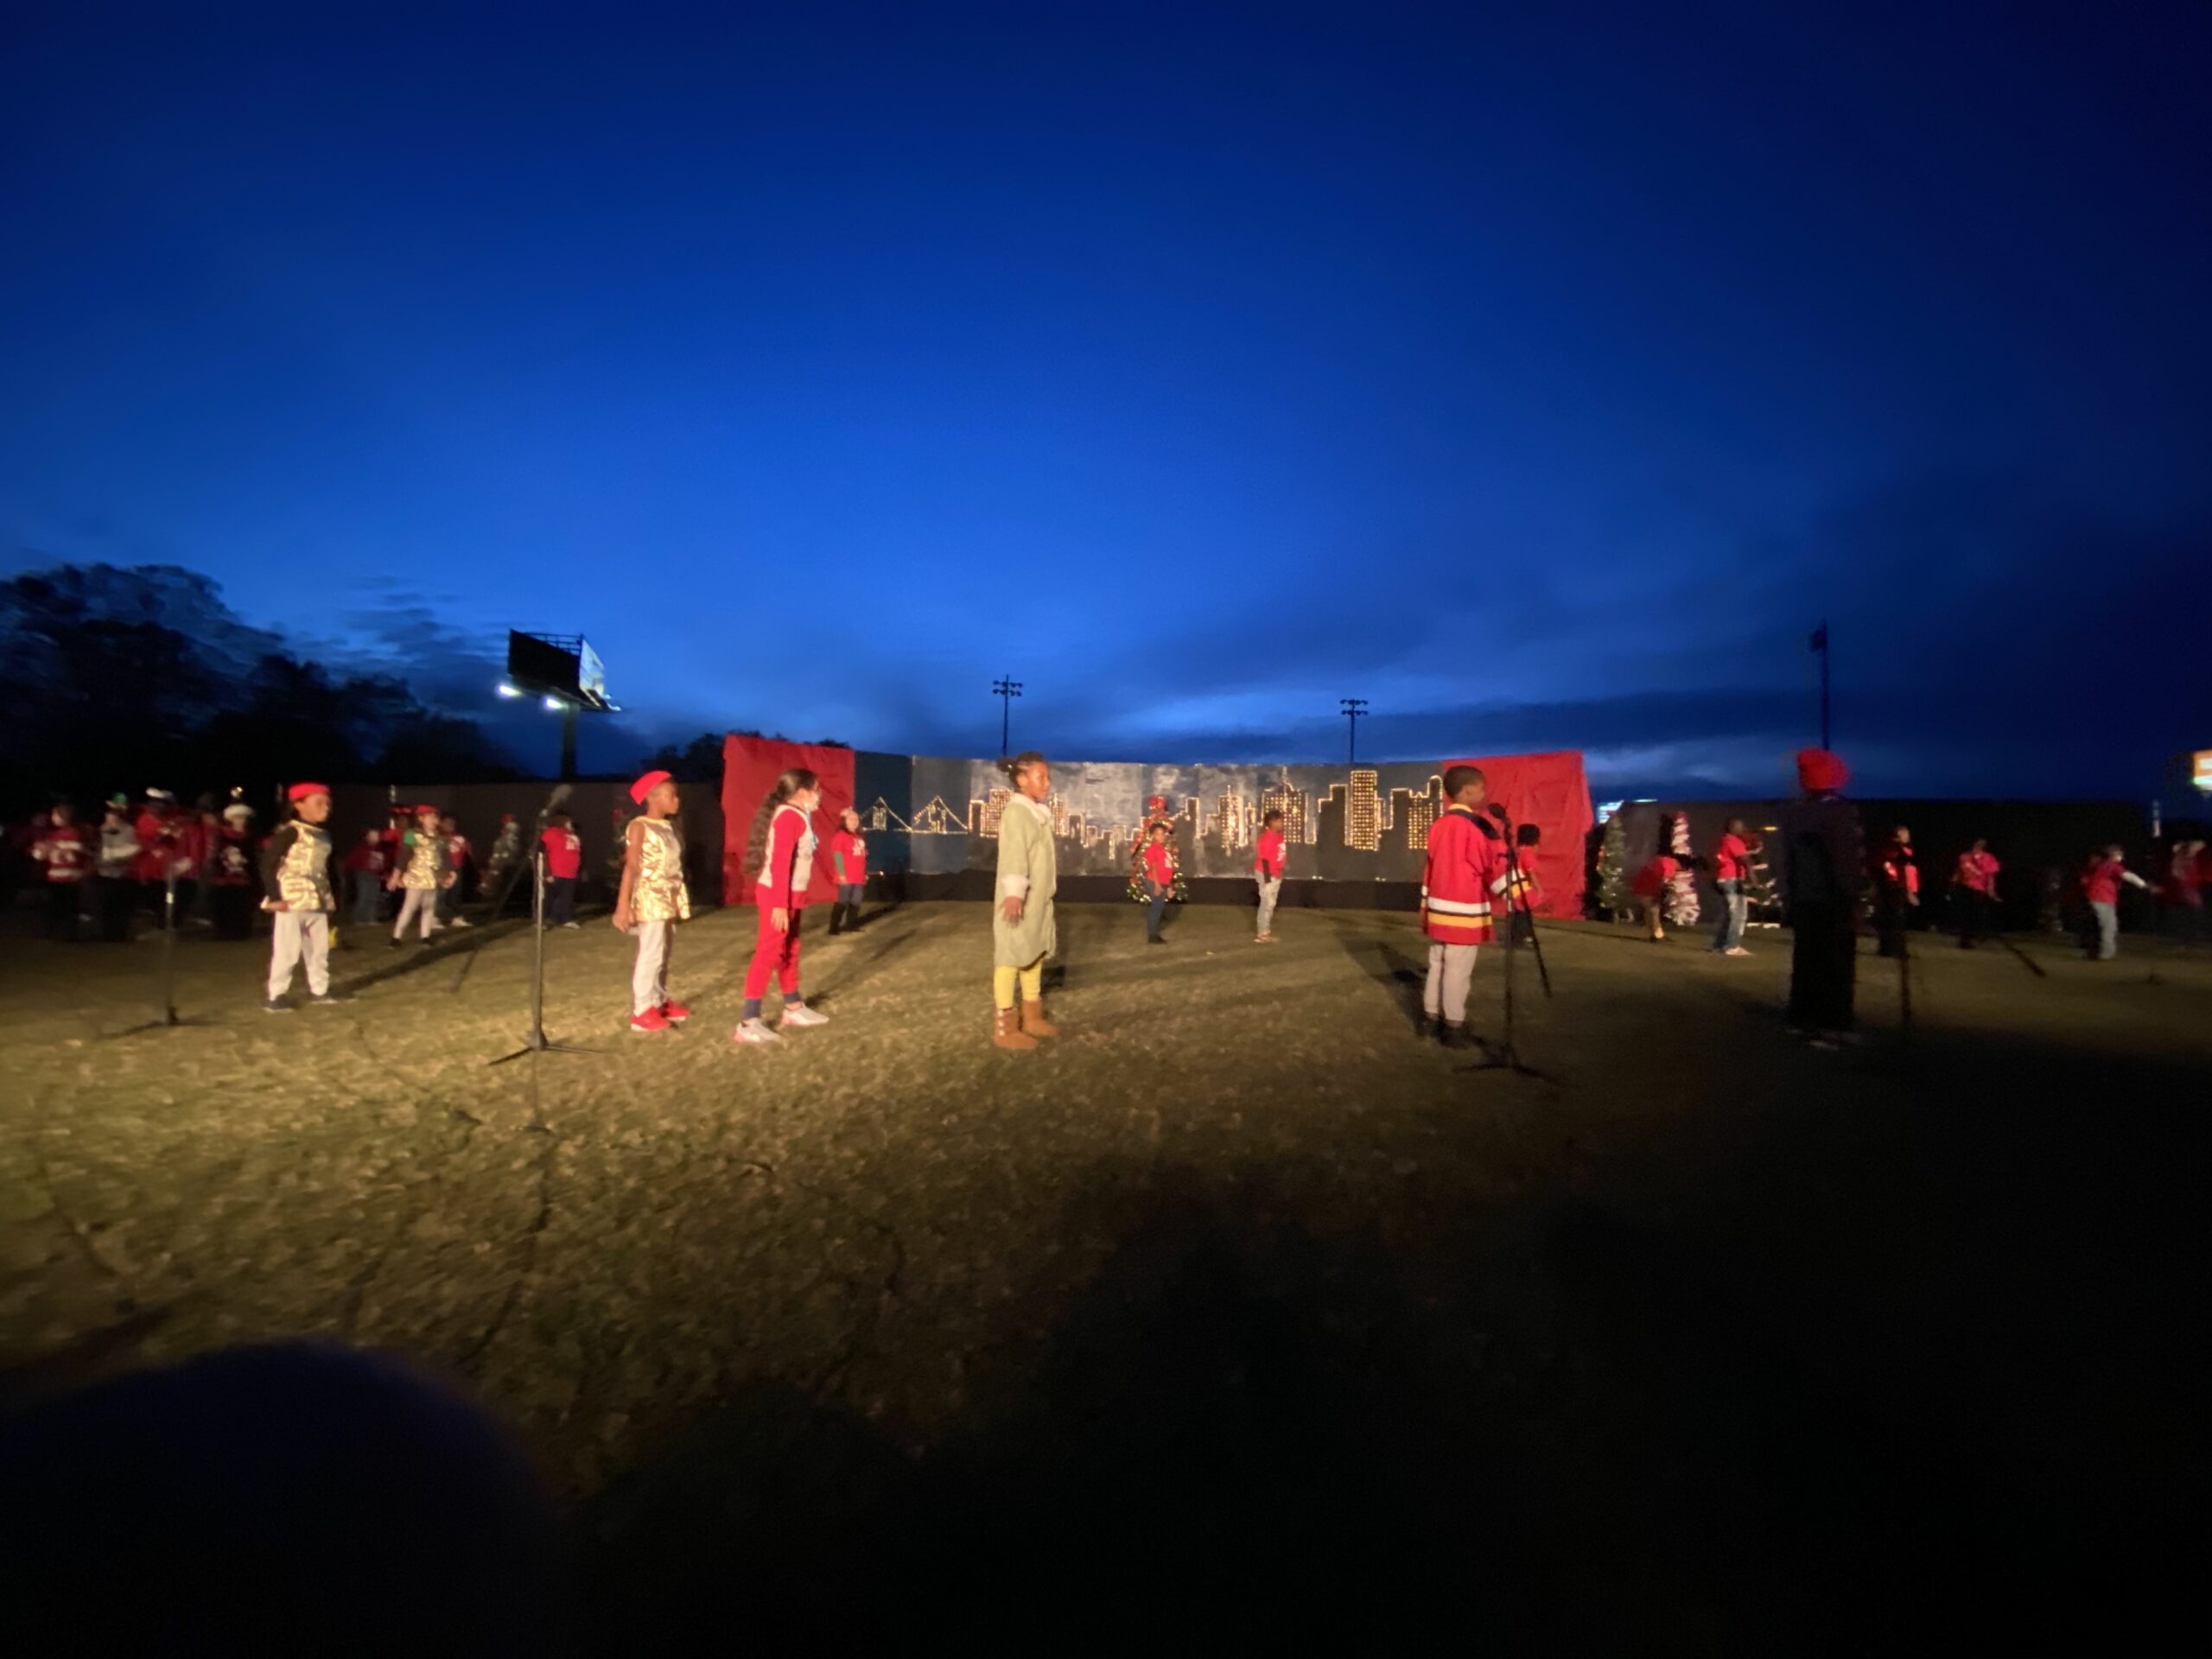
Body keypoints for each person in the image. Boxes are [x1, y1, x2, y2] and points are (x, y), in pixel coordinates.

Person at [734, 769, 825, 1044]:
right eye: (816, 789)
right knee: (768, 952)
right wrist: (778, 905)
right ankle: (748, 1022)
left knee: (790, 948)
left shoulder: (797, 815)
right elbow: (780, 863)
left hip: (790, 895)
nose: (819, 795)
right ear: (802, 793)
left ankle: (793, 1007)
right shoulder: (789, 816)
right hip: (778, 897)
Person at [1419, 765, 1507, 1046]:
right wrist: (1520, 894)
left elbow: (1429, 869)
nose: (1484, 793)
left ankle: (1430, 1018)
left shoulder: (1439, 825)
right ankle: (1454, 1025)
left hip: (1438, 907)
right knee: (1458, 969)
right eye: (1481, 788)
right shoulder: (1475, 827)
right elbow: (1490, 867)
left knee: (1437, 963)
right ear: (1468, 790)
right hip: (1464, 908)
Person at [1780, 747, 1863, 1046]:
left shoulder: (1797, 811)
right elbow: (1842, 861)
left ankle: (1802, 1018)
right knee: (1835, 964)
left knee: (1806, 962)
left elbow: (1790, 862)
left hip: (1805, 899)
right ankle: (1832, 1023)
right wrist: (1851, 896)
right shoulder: (1838, 812)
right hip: (1832, 900)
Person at [614, 770, 693, 1033]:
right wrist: (623, 905)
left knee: (664, 951)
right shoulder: (639, 826)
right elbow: (632, 866)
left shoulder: (667, 826)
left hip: (668, 894)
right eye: (672, 795)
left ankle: (658, 1001)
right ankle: (641, 1010)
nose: (677, 800)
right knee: (651, 952)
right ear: (654, 797)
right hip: (650, 896)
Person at [992, 752, 1059, 1051]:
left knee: (1032, 955)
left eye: (1047, 776)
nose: (1046, 782)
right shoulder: (1016, 813)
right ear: (1021, 780)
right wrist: (1013, 895)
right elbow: (1014, 854)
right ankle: (1005, 1029)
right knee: (1009, 957)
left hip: (1038, 901)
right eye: (1040, 777)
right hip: (1018, 900)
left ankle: (1032, 1017)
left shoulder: (1036, 813)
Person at [262, 783, 342, 1011]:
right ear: (299, 805)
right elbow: (268, 863)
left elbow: (328, 869)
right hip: (292, 899)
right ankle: (276, 995)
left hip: (317, 899)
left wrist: (333, 898)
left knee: (319, 949)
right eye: (318, 803)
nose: (325, 808)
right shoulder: (291, 831)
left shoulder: (324, 835)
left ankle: (320, 990)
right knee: (287, 948)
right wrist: (274, 896)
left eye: (327, 803)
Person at [388, 804, 449, 946]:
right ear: (421, 819)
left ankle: (425, 936)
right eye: (429, 817)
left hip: (432, 877)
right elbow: (404, 855)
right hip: (416, 876)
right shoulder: (411, 834)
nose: (433, 820)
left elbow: (445, 857)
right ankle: (396, 937)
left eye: (435, 817)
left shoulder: (440, 838)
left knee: (429, 906)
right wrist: (395, 875)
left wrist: (449, 873)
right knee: (410, 906)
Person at [2078, 844, 2150, 961]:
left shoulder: (2101, 866)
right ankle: (2106, 954)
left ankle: (2092, 952)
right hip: (2103, 899)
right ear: (2113, 855)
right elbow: (2128, 876)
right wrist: (2144, 885)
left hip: (2093, 898)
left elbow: (2086, 880)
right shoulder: (2112, 866)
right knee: (2109, 927)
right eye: (2119, 854)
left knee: (2096, 927)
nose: (2121, 856)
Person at [33, 804, 88, 940]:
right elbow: (41, 856)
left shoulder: (72, 834)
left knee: (66, 908)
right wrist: (40, 850)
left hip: (68, 877)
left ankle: (66, 934)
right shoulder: (54, 835)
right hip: (56, 877)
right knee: (57, 907)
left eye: (55, 815)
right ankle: (56, 933)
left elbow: (73, 855)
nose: (53, 818)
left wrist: (53, 847)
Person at [1703, 817, 1753, 957]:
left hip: (1721, 879)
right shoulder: (1733, 841)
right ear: (1732, 827)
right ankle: (1732, 946)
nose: (1743, 829)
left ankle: (1719, 945)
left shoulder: (1720, 840)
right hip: (1732, 880)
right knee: (1738, 914)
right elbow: (1745, 860)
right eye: (1740, 826)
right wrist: (1754, 879)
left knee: (1730, 914)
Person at [208, 803, 259, 941]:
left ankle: (240, 934)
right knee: (223, 908)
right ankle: (222, 934)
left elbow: (253, 858)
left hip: (243, 880)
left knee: (241, 910)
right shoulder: (220, 835)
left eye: (243, 818)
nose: (241, 821)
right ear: (231, 819)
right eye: (237, 818)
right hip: (223, 879)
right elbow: (214, 856)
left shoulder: (250, 837)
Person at [93, 795, 139, 942]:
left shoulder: (129, 830)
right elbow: (96, 851)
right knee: (105, 907)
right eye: (108, 813)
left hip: (122, 875)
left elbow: (131, 851)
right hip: (104, 874)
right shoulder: (100, 830)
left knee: (121, 909)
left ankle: (119, 935)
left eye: (114, 814)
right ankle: (105, 934)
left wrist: (115, 856)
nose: (110, 817)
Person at [1872, 825, 1920, 958]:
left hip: (1900, 888)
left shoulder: (1905, 851)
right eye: (1904, 834)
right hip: (1893, 888)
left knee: (1897, 919)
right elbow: (1889, 868)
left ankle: (1891, 948)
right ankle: (1891, 948)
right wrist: (1901, 887)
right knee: (1894, 919)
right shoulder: (1892, 850)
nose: (1907, 836)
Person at [1952, 837, 2001, 949]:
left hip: (1978, 889)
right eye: (1977, 844)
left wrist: (1991, 890)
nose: (1978, 846)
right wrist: (1954, 881)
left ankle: (1973, 937)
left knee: (1975, 914)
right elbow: (1959, 870)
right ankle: (1964, 940)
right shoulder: (1965, 856)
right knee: (1966, 914)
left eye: (1981, 845)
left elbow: (1990, 876)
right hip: (1964, 887)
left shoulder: (1989, 858)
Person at [828, 807, 868, 935]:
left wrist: (864, 873)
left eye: (856, 819)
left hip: (858, 876)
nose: (855, 821)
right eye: (851, 819)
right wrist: (841, 873)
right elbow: (837, 855)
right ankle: (833, 927)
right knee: (842, 901)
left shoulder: (858, 837)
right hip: (846, 876)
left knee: (856, 901)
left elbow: (861, 857)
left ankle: (852, 925)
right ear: (845, 821)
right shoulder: (841, 836)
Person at [541, 809, 582, 926]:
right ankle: (543, 920)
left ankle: (566, 919)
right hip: (556, 872)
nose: (570, 823)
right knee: (549, 898)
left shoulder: (572, 834)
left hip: (571, 872)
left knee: (567, 898)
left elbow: (577, 852)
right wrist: (547, 873)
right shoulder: (550, 833)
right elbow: (542, 854)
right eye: (568, 821)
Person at [1630, 846, 1678, 941]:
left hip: (1641, 887)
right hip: (1647, 888)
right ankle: (1656, 934)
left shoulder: (1657, 861)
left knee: (1651, 911)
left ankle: (1655, 933)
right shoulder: (1670, 863)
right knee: (1654, 911)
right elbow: (1664, 880)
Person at [1253, 807, 1287, 943]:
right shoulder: (1267, 838)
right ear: (1272, 822)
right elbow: (1264, 859)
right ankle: (1262, 934)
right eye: (1279, 821)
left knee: (1271, 903)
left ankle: (1265, 931)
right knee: (1266, 903)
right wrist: (1268, 880)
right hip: (1266, 874)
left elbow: (1279, 856)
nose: (1281, 824)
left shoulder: (1279, 836)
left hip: (1275, 873)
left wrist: (1279, 872)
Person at [1506, 822, 1543, 947]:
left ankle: (1515, 935)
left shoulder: (1517, 851)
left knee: (1518, 912)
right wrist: (1538, 887)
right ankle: (1524, 935)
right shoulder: (1528, 852)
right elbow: (1530, 871)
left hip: (1515, 886)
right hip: (1524, 887)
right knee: (1524, 912)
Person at [342, 829, 388, 927]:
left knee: (374, 896)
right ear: (367, 837)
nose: (375, 838)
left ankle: (371, 918)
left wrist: (383, 872)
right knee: (364, 895)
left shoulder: (379, 849)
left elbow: (382, 863)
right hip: (363, 874)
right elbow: (350, 860)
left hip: (375, 875)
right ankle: (359, 918)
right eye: (372, 836)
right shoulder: (362, 848)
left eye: (377, 836)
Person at [1140, 822, 1175, 944]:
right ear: (1153, 836)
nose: (1161, 836)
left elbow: (1168, 868)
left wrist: (1169, 886)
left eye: (1162, 834)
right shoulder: (1152, 849)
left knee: (1158, 908)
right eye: (1158, 834)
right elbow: (1153, 867)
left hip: (1163, 882)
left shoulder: (1164, 851)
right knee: (1156, 908)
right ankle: (1153, 936)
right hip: (1155, 882)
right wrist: (1157, 884)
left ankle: (1154, 934)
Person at [2163, 839, 2204, 944]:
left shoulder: (2190, 857)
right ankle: (2187, 936)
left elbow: (2201, 845)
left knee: (2192, 910)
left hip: (2191, 887)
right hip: (2185, 888)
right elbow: (2175, 872)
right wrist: (2183, 879)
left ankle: (2190, 935)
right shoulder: (2181, 858)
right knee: (2190, 910)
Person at [438, 814, 474, 928]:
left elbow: (468, 851)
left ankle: (457, 917)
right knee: (439, 895)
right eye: (448, 823)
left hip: (457, 869)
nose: (451, 825)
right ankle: (433, 918)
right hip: (442, 870)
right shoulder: (438, 838)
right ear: (441, 823)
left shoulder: (459, 838)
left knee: (456, 894)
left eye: (452, 823)